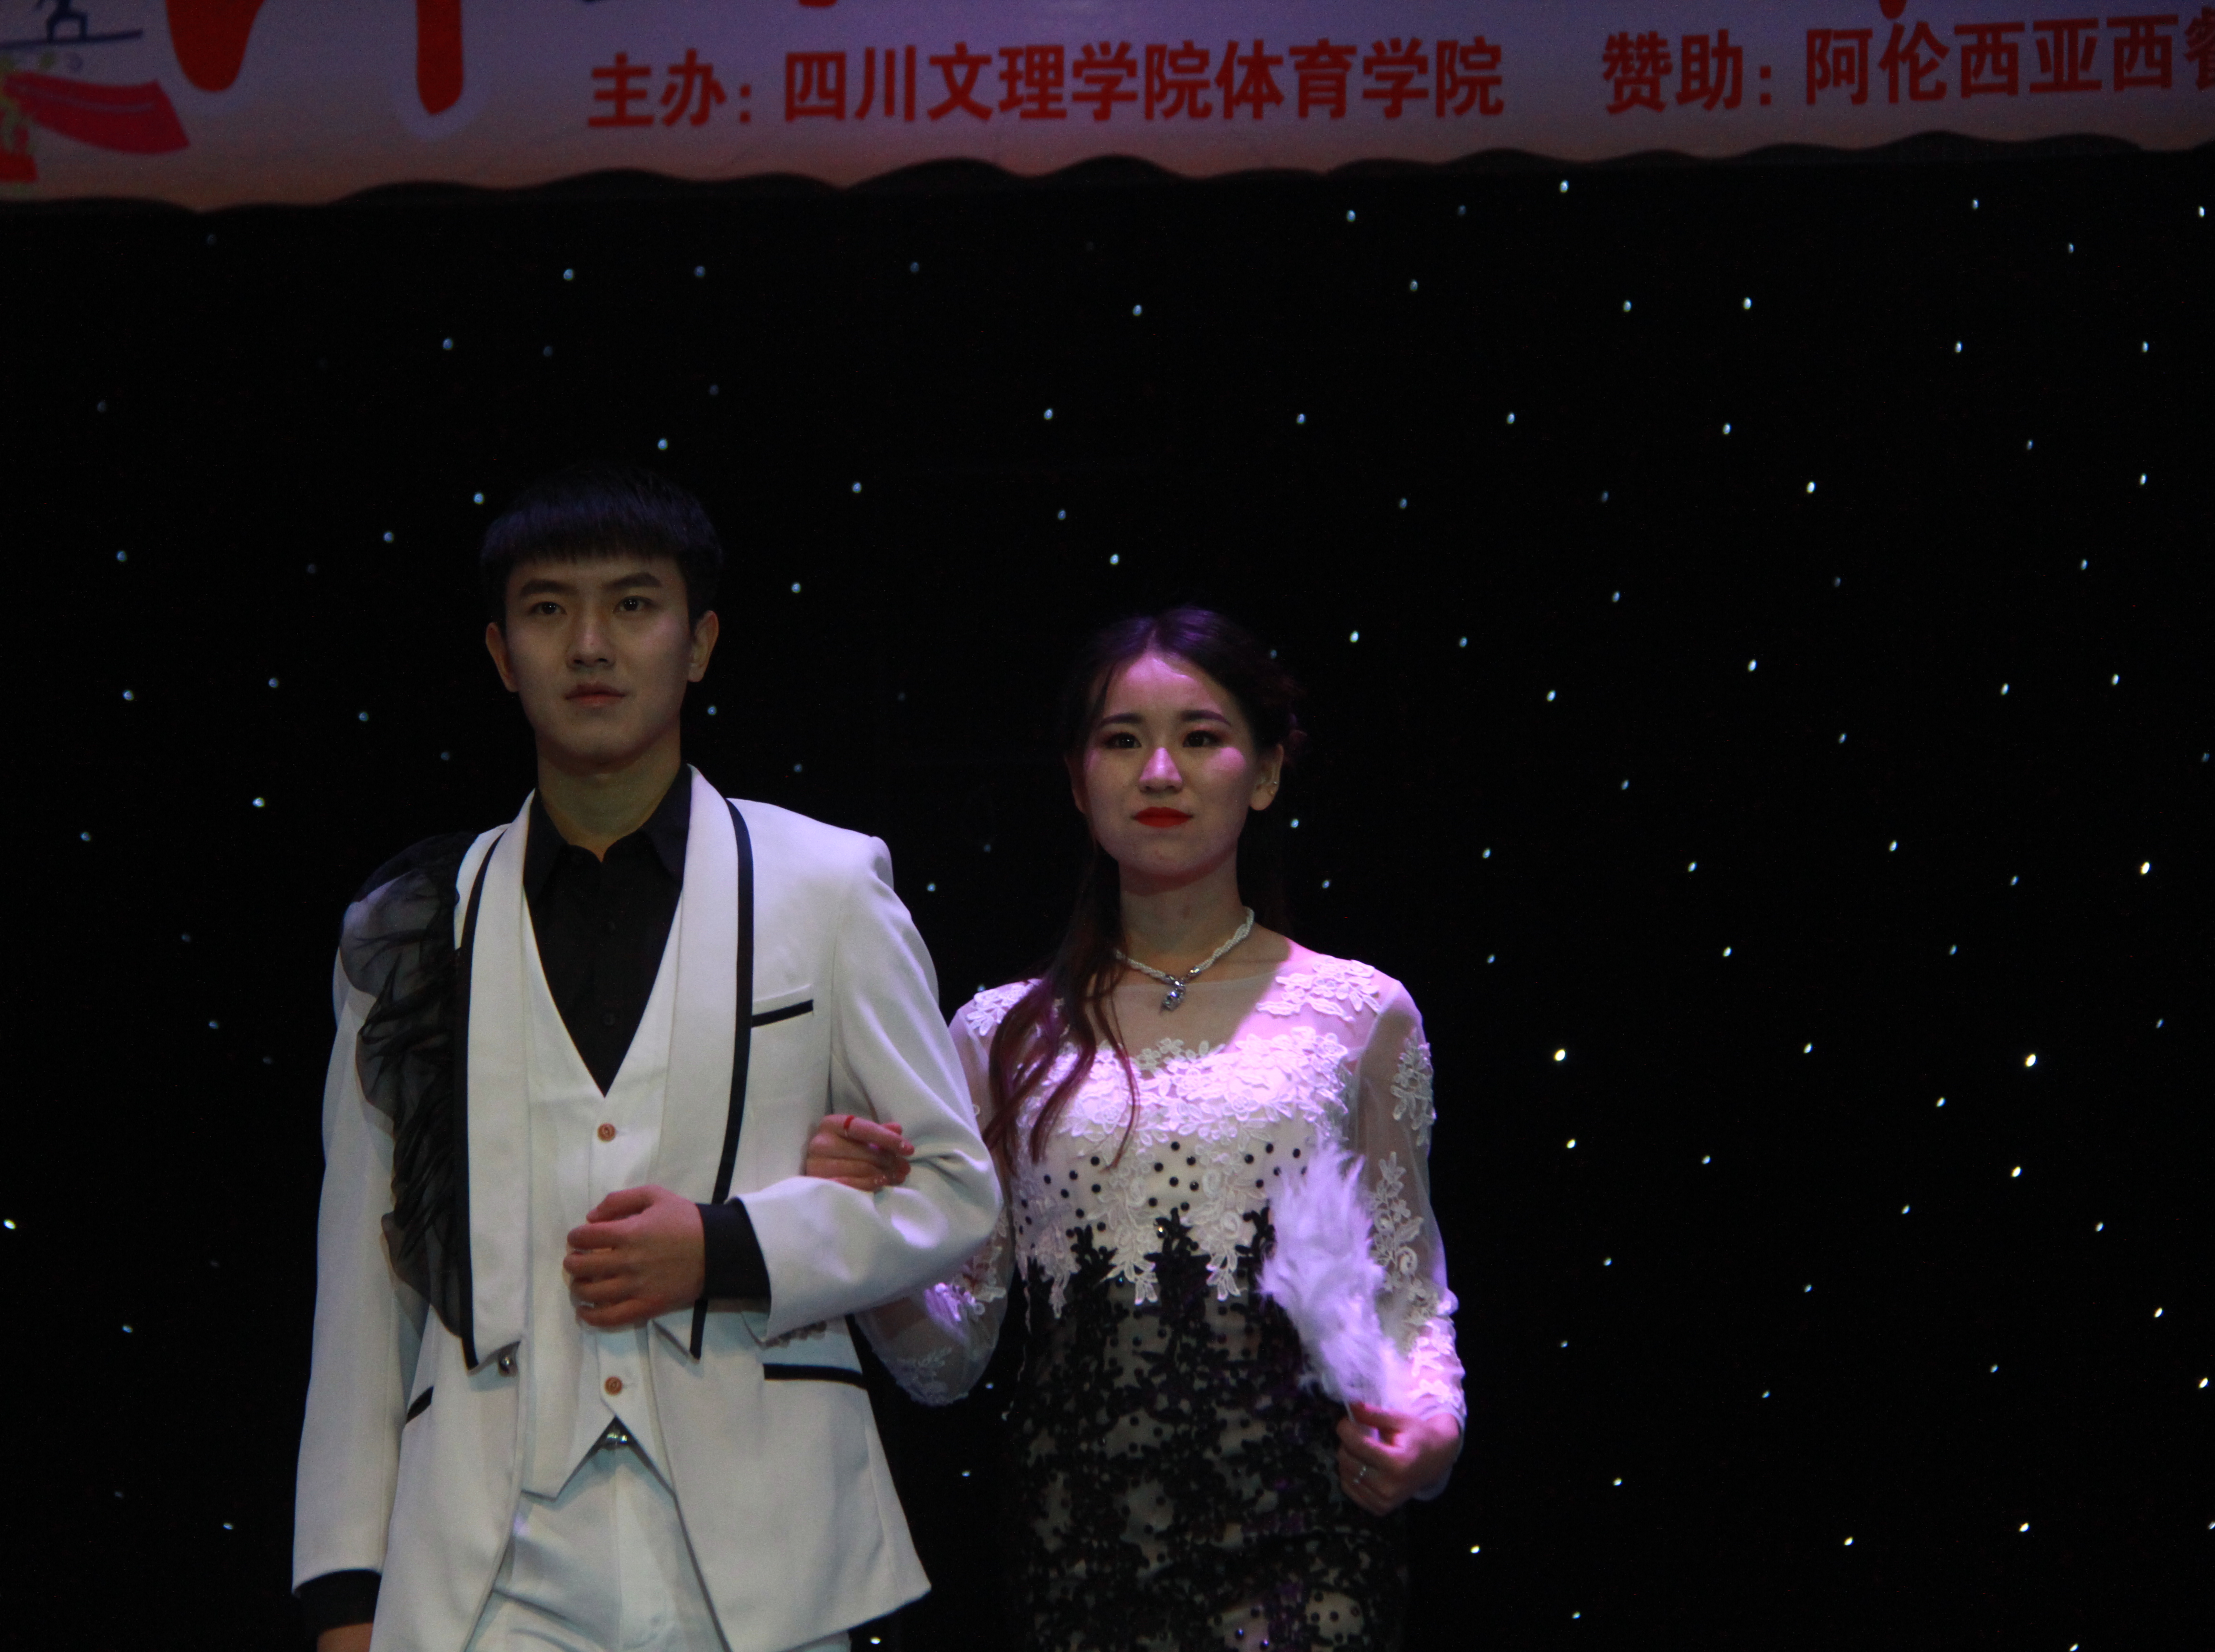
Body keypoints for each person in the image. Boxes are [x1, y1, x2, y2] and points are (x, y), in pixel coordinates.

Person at [291, 465, 1001, 1652]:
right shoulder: (416, 927)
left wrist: (730, 1246)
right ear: (500, 652)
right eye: (547, 609)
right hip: (485, 1557)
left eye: (632, 605)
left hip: (762, 1555)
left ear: (700, 640)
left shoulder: (826, 888)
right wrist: (344, 1588)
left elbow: (953, 1189)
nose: (590, 645)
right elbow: (365, 1281)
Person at [806, 608, 1466, 1652]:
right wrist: (865, 1229)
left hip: (1308, 1537)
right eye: (1122, 740)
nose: (1161, 771)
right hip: (1080, 1548)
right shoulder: (998, 1034)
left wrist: (1432, 1430)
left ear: (1265, 773)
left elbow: (1406, 1287)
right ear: (1078, 782)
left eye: (1201, 737)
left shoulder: (1359, 1013)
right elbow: (951, 1359)